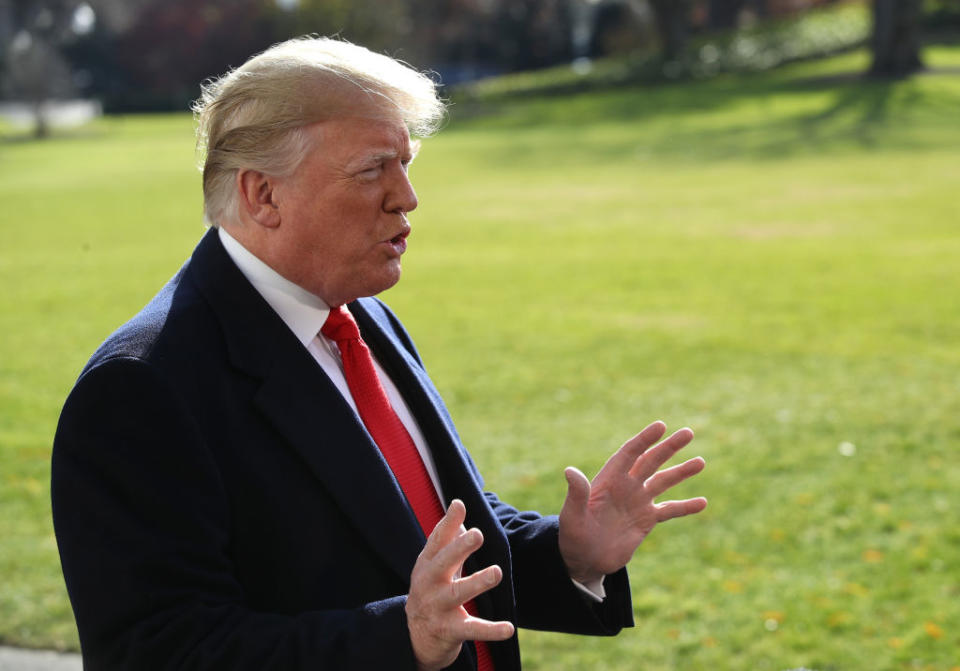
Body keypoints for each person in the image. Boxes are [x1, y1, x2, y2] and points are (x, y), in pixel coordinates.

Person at [51, 36, 707, 671]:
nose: (407, 197)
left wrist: (567, 553)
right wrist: (400, 638)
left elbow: (425, 531)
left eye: (406, 163)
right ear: (262, 194)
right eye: (372, 169)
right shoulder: (140, 388)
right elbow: (158, 652)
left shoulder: (362, 315)